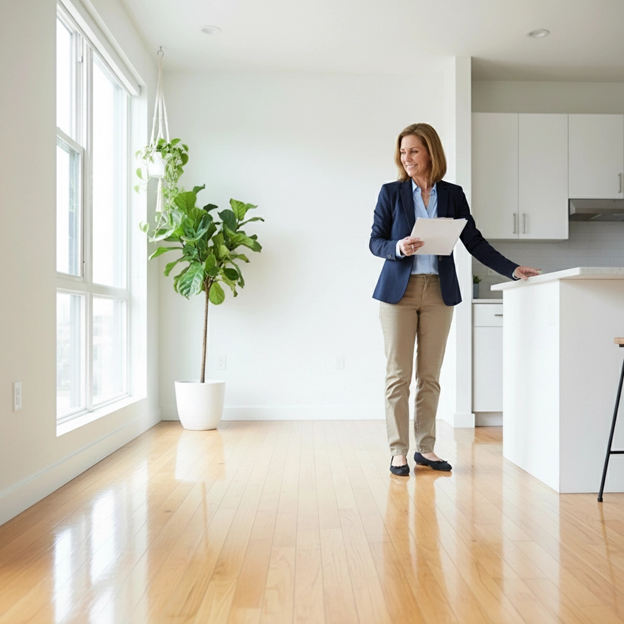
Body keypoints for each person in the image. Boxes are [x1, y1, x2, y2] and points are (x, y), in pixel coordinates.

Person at [369, 123, 540, 477]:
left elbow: (474, 241)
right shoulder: (391, 192)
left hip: (438, 292)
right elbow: (375, 241)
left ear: (430, 151)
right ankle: (398, 451)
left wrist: (512, 269)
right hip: (398, 292)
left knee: (430, 376)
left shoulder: (452, 194)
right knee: (398, 375)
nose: (407, 158)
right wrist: (398, 247)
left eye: (413, 150)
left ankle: (426, 448)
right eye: (403, 152)